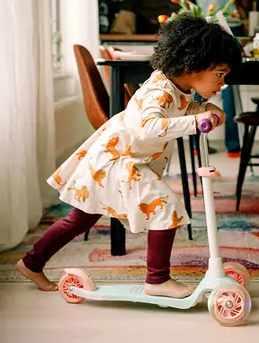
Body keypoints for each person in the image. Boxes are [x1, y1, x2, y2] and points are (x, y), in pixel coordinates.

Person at [17, 15, 244, 298]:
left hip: (117, 158)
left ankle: (31, 262)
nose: (222, 83)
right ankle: (157, 280)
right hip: (118, 162)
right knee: (165, 207)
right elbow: (148, 128)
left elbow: (181, 112)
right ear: (191, 65)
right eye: (219, 75)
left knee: (80, 219)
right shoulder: (159, 92)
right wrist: (196, 121)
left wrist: (205, 110)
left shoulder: (178, 88)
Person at [179, 0, 251, 157]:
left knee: (200, 81)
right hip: (230, 26)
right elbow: (246, 0)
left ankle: (198, 142)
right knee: (227, 83)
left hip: (203, 29)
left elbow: (187, 2)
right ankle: (233, 146)